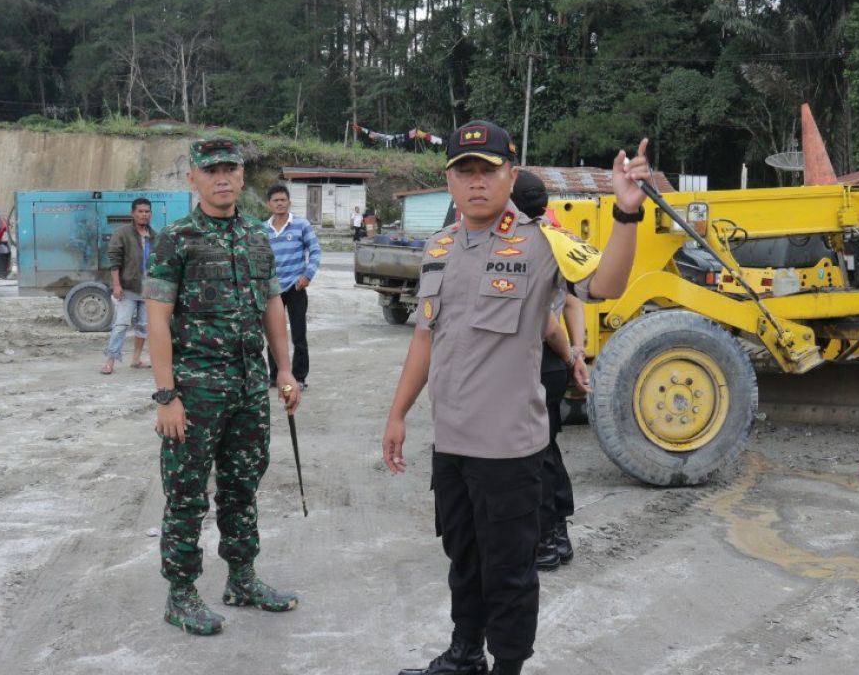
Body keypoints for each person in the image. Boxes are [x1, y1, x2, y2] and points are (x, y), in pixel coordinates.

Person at [382, 120, 651, 675]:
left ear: (511, 174)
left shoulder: (543, 243)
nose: (476, 183)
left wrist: (626, 214)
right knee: (463, 559)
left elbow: (608, 285)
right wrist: (398, 412)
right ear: (450, 181)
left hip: (509, 451)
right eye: (465, 172)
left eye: (488, 171)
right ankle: (464, 655)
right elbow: (425, 340)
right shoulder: (438, 248)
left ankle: (507, 666)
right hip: (453, 446)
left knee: (509, 572)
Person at [144, 138, 303, 637]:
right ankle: (182, 593)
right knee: (187, 495)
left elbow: (272, 306)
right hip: (195, 393)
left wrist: (284, 369)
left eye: (230, 168)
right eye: (210, 169)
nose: (222, 178)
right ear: (192, 177)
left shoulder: (258, 237)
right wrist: (167, 395)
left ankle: (241, 579)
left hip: (249, 388)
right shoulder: (177, 239)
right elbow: (157, 319)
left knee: (242, 488)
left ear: (240, 175)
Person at [509, 169, 588, 572]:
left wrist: (570, 352)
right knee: (547, 448)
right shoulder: (558, 239)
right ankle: (557, 532)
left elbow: (547, 322)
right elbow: (573, 303)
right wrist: (579, 352)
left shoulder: (521, 244)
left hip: (534, 359)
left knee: (531, 455)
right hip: (553, 363)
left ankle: (543, 536)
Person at [264, 184, 321, 390]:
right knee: (272, 334)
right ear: (269, 204)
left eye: (283, 200)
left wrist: (307, 275)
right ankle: (274, 376)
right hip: (272, 292)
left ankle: (299, 377)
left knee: (298, 334)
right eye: (275, 200)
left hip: (296, 288)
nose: (279, 203)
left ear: (289, 202)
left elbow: (315, 251)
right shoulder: (263, 229)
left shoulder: (301, 225)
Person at [100, 197, 156, 374]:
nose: (144, 214)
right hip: (128, 288)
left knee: (143, 326)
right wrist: (116, 285)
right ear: (133, 213)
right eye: (140, 211)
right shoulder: (122, 234)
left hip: (148, 290)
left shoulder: (155, 236)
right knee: (121, 324)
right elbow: (114, 261)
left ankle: (136, 358)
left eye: (147, 211)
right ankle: (110, 360)